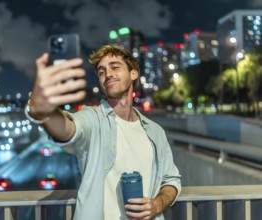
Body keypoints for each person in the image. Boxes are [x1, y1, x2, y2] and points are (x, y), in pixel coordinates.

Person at [26, 44, 181, 220]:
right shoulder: (93, 119)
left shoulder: (155, 131)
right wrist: (43, 111)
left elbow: (171, 180)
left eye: (115, 67)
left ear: (133, 73)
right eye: (101, 72)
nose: (108, 74)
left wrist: (157, 204)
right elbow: (67, 129)